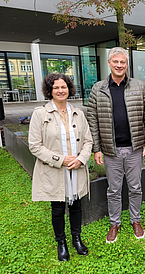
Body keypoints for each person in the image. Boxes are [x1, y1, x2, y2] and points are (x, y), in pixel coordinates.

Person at [87, 47, 145, 243]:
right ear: (109, 63)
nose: (119, 65)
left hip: (134, 149)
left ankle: (136, 220)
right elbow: (92, 120)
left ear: (127, 64)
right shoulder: (98, 89)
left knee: (135, 187)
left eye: (122, 62)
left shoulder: (139, 86)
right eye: (115, 62)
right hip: (110, 151)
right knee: (113, 190)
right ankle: (115, 223)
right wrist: (96, 149)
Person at [28, 73, 93, 261]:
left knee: (76, 205)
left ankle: (76, 239)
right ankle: (61, 243)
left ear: (69, 89)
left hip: (76, 168)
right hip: (55, 169)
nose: (60, 90)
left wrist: (81, 159)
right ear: (50, 90)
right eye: (56, 87)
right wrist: (60, 159)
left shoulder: (78, 113)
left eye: (63, 87)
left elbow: (88, 141)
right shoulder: (40, 114)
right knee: (57, 208)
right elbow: (34, 145)